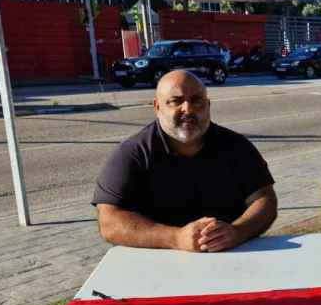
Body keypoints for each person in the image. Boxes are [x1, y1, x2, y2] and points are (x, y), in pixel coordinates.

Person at [93, 70, 277, 252]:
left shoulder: (237, 147)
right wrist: (175, 238)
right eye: (176, 101)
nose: (187, 109)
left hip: (232, 258)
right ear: (157, 107)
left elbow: (265, 200)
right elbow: (109, 222)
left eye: (197, 100)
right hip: (159, 266)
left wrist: (237, 232)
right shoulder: (133, 153)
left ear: (208, 105)